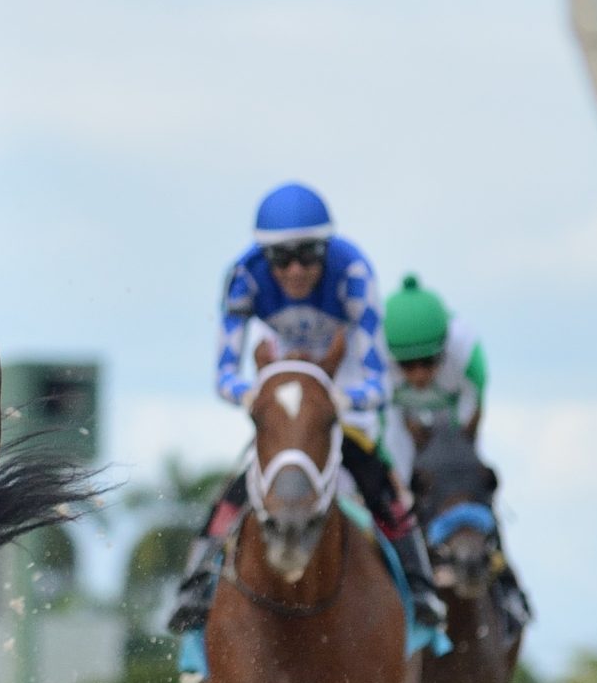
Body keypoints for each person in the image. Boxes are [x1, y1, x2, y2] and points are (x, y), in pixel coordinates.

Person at [167, 181, 446, 632]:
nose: (296, 269)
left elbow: (377, 382)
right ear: (264, 256)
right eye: (282, 259)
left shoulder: (354, 271)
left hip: (342, 382)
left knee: (379, 478)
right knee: (243, 481)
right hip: (280, 382)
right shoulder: (242, 276)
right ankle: (195, 583)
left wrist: (336, 398)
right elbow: (224, 377)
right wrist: (257, 396)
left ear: (327, 248)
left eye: (310, 255)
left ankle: (420, 585)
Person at [383, 274, 531, 627]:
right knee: (397, 490)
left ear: (444, 351)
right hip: (399, 422)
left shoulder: (468, 356)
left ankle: (509, 590)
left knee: (469, 483)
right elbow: (387, 434)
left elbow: (466, 433)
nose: (418, 375)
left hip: (454, 422)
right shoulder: (373, 357)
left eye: (429, 362)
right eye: (407, 365)